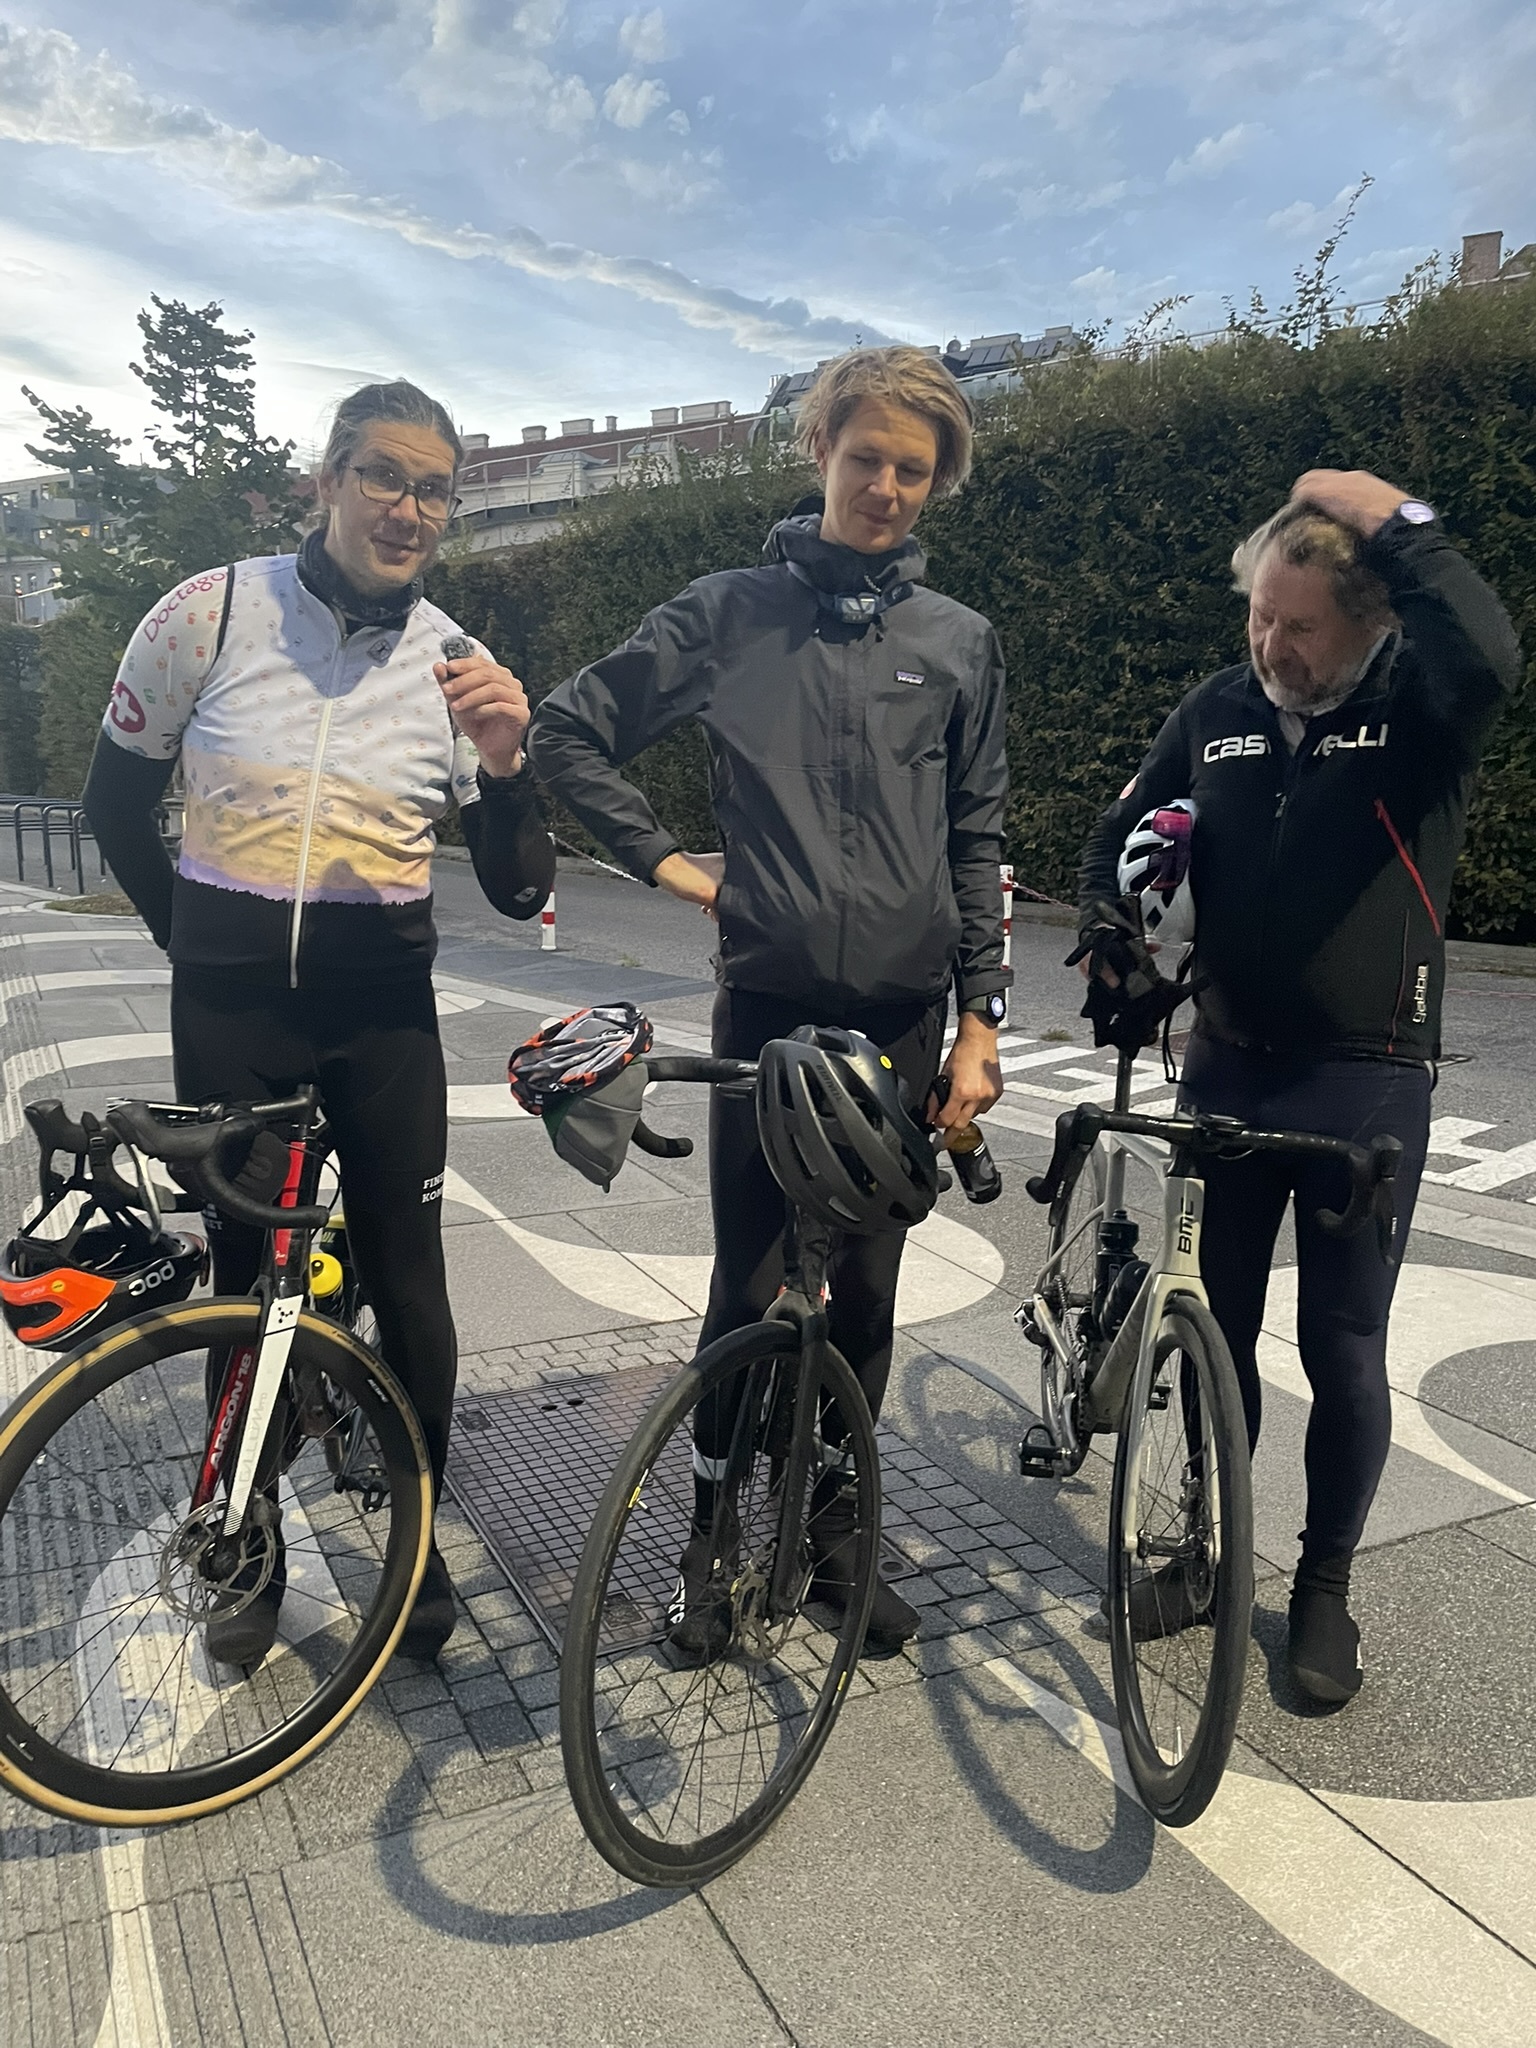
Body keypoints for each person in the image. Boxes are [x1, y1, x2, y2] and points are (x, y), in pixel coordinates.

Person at [529, 346, 1010, 1654]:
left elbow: (975, 839)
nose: (887, 488)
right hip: (769, 1012)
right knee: (745, 1290)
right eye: (867, 459)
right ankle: (710, 1541)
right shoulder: (728, 613)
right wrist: (675, 869)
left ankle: (838, 1535)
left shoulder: (958, 642)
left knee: (866, 1293)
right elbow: (568, 729)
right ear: (820, 451)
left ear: (936, 482)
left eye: (914, 470)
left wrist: (980, 1021)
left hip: (904, 1020)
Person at [83, 379, 555, 1664]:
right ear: (329, 478)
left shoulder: (455, 663)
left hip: (382, 1018)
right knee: (246, 1280)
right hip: (233, 1015)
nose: (408, 508)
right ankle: (244, 1538)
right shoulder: (209, 611)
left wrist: (509, 762)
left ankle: (416, 1534)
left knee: (411, 1282)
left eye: (433, 489)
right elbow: (114, 802)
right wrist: (193, 945)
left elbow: (522, 889)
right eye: (384, 476)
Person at [1077, 469, 1522, 1705]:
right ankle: (1206, 1553)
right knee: (1210, 1333)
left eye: (1301, 625)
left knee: (1343, 1347)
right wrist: (1113, 927)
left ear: (1370, 619)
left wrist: (1400, 518)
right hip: (1225, 1064)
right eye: (1259, 615)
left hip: (1360, 1082)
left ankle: (1324, 1587)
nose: (1271, 645)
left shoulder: (1422, 711)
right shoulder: (1217, 706)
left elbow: (1491, 654)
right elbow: (1117, 830)